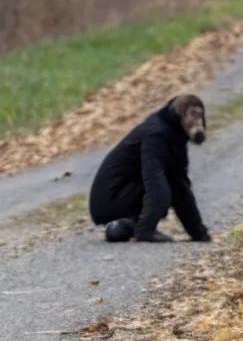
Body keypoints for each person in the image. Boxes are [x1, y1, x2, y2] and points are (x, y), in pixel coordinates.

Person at [88, 93, 212, 243]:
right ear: (181, 115)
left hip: (123, 194)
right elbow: (154, 180)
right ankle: (143, 229)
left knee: (176, 182)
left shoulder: (173, 134)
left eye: (199, 116)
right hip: (110, 199)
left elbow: (181, 187)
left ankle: (125, 226)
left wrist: (200, 234)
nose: (196, 122)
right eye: (191, 115)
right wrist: (146, 230)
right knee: (165, 185)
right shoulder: (157, 134)